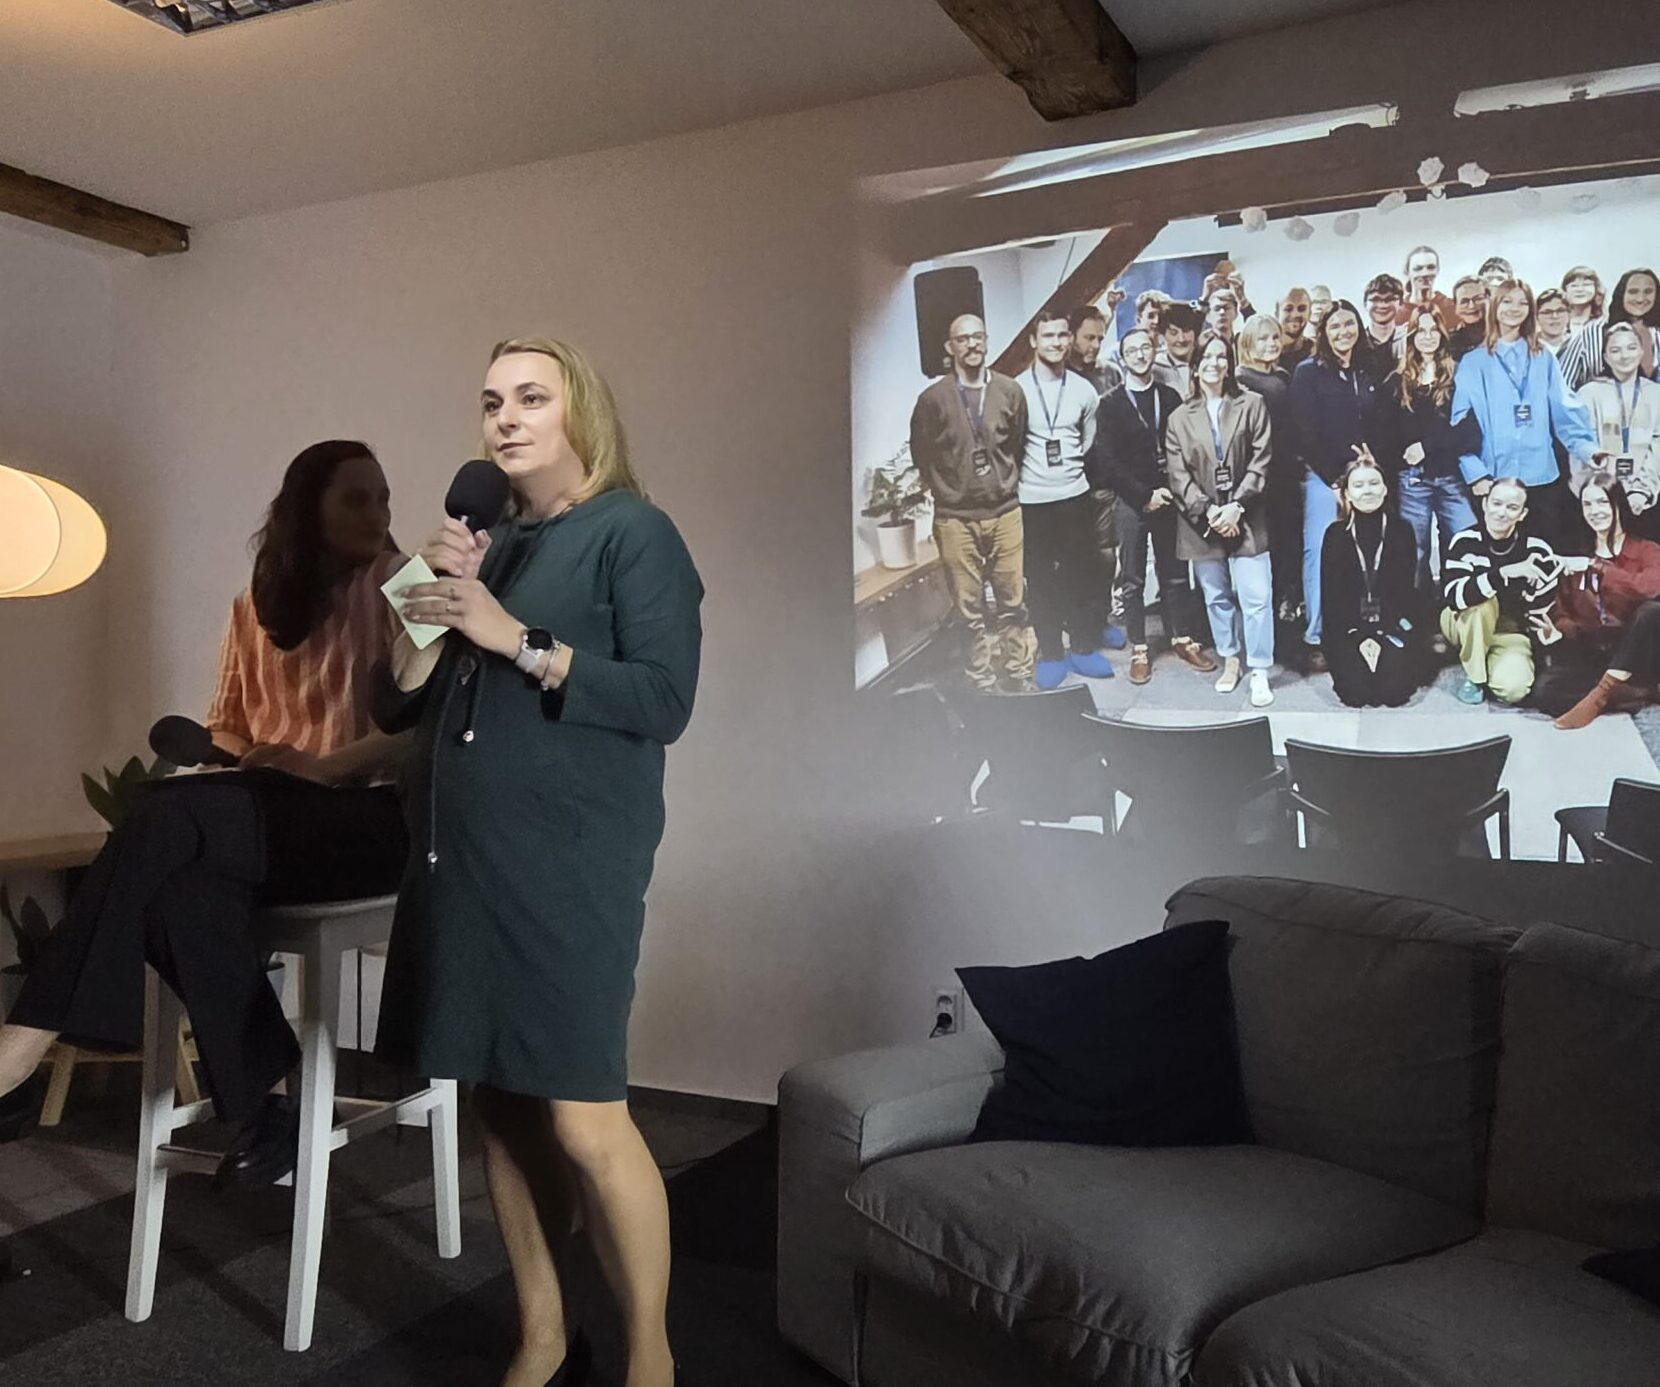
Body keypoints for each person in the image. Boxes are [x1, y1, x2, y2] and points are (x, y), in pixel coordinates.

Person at [377, 336, 702, 1387]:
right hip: (460, 858)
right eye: (490, 402)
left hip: (571, 860)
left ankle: (650, 1358)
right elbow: (391, 699)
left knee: (582, 1113)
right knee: (502, 1100)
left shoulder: (634, 530)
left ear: (580, 413)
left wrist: (513, 635)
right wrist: (436, 595)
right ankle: (545, 1335)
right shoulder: (472, 541)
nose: (505, 419)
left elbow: (664, 699)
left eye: (530, 398)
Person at [0, 442, 410, 1176]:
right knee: (180, 896)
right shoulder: (255, 604)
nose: (378, 513)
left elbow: (428, 729)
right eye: (357, 498)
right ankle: (272, 1102)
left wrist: (319, 767)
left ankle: (18, 1052)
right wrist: (246, 754)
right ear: (307, 509)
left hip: (372, 821)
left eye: (383, 498)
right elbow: (228, 723)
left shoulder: (411, 583)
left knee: (161, 812)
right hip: (275, 819)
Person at [908, 313, 1035, 691]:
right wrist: (949, 490)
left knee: (1013, 602)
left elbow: (1017, 444)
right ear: (950, 347)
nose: (972, 344)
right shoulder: (933, 399)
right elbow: (922, 454)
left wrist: (1000, 482)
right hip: (955, 518)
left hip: (1005, 513)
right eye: (963, 339)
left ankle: (1019, 673)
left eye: (978, 337)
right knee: (969, 610)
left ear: (986, 341)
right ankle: (981, 679)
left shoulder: (1010, 391)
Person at [1090, 327, 1216, 684]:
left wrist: (1168, 492)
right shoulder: (1110, 404)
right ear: (1123, 357)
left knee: (1175, 573)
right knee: (1132, 577)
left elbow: (1182, 449)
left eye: (1146, 347)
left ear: (1155, 349)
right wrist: (1144, 496)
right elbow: (1108, 462)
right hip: (1133, 500)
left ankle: (1182, 637)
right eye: (1133, 350)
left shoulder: (1169, 396)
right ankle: (1140, 647)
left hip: (1170, 497)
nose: (1141, 355)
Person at [1165, 330, 1276, 707]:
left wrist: (1236, 506)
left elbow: (1262, 460)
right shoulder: (1179, 417)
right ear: (1195, 367)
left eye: (1221, 356)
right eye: (1206, 357)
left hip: (1247, 513)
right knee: (1216, 596)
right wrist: (1210, 511)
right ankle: (1231, 659)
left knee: (1256, 596)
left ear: (1229, 363)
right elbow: (1178, 474)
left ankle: (1259, 668)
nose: (1214, 363)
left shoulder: (1252, 404)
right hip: (1202, 520)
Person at [1451, 278, 1601, 547]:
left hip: (1541, 477)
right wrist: (1475, 474)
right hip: (1493, 479)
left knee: (1543, 552)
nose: (1514, 308)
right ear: (1495, 307)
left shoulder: (1544, 357)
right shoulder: (1474, 363)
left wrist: (1588, 450)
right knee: (1499, 557)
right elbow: (1460, 425)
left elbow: (1565, 410)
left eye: (1522, 303)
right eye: (1507, 301)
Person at [1016, 306, 1114, 687]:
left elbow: (1086, 442)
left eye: (1062, 335)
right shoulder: (1017, 391)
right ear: (1033, 340)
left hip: (1074, 495)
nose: (1056, 343)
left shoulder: (1084, 391)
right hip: (1032, 500)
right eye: (1048, 336)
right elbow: (1011, 447)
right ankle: (1052, 653)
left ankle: (1083, 649)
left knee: (1082, 574)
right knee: (1040, 579)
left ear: (1070, 339)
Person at [1290, 298, 1379, 665]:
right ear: (1324, 332)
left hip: (1368, 475)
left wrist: (1372, 462)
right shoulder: (1308, 372)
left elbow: (1381, 422)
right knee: (1319, 550)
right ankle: (1316, 635)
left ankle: (1360, 627)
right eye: (1335, 326)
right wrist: (1337, 479)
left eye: (1349, 323)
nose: (1344, 331)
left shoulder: (1369, 368)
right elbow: (1304, 433)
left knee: (1368, 550)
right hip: (1325, 477)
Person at [1372, 305, 1482, 592]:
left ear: (1443, 334)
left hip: (1453, 476)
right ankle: (1416, 612)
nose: (1428, 336)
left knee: (1465, 543)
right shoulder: (1397, 381)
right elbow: (1387, 436)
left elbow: (1470, 432)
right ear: (1411, 336)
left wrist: (1428, 446)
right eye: (1421, 331)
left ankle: (1457, 604)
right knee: (1415, 552)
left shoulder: (1459, 375)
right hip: (1413, 481)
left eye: (1434, 330)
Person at [1542, 477, 1660, 727]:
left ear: (1618, 504)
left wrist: (1597, 566)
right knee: (1545, 691)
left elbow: (1648, 588)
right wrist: (1559, 630)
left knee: (1651, 611)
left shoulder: (1647, 549)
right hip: (1597, 652)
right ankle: (1637, 693)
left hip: (1639, 652)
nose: (1595, 511)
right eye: (1587, 504)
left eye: (1602, 502)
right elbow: (1562, 611)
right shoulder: (1577, 553)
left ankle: (1602, 695)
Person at [1440, 477, 1561, 705]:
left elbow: (1539, 611)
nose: (1501, 513)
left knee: (1513, 690)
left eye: (1512, 507)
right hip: (1461, 622)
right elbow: (1455, 598)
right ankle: (1476, 677)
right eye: (1496, 503)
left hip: (1508, 630)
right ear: (1485, 504)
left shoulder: (1537, 550)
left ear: (1522, 514)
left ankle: (1486, 658)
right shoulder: (1464, 541)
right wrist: (1504, 573)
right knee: (1481, 603)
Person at [1320, 455, 1424, 707]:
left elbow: (1405, 592)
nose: (1367, 491)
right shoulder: (1335, 535)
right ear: (1347, 494)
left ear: (1385, 489)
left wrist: (1380, 634)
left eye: (1374, 483)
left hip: (1391, 625)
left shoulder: (1402, 530)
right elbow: (1332, 599)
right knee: (1356, 695)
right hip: (1349, 629)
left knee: (1393, 694)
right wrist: (1361, 637)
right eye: (1359, 485)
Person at [1237, 312, 1303, 626]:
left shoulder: (1283, 376)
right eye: (1262, 338)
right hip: (1259, 477)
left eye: (1275, 337)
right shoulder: (1241, 379)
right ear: (1248, 342)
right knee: (1266, 549)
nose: (1271, 343)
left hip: (1287, 475)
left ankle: (1288, 611)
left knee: (1289, 545)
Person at [1069, 304, 1128, 649]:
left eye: (1099, 339)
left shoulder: (1110, 373)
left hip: (1104, 484)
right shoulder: (1059, 377)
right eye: (1088, 338)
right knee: (1074, 559)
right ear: (1072, 336)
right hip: (1067, 486)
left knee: (1106, 557)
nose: (1094, 345)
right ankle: (1078, 627)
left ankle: (1100, 619)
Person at [1575, 321, 1660, 530]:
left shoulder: (1655, 394)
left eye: (1631, 348)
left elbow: (1657, 447)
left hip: (1644, 497)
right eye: (1615, 350)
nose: (1624, 356)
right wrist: (1600, 495)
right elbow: (1581, 447)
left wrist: (1641, 490)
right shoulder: (1588, 394)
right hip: (1598, 499)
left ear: (1641, 351)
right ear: (1605, 357)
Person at [1559, 266, 1660, 392]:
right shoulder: (1593, 331)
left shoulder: (1657, 332)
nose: (1640, 299)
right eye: (1633, 292)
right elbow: (1562, 383)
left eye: (1648, 291)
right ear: (1621, 294)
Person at [1354, 273, 1407, 381]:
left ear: (1401, 303)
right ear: (1365, 303)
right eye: (1375, 299)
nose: (1382, 305)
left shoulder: (1409, 339)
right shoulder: (1355, 341)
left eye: (1389, 299)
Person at [1397, 245, 1459, 334]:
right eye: (1418, 269)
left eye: (1431, 267)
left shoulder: (1452, 307)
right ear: (1407, 271)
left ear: (1437, 270)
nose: (1425, 273)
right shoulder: (1397, 312)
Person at [1068, 304, 1125, 397]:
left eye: (1100, 339)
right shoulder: (1056, 376)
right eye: (1090, 338)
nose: (1096, 345)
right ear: (1071, 337)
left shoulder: (1112, 373)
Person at [1154, 300, 1202, 395]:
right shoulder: (1155, 368)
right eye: (1173, 333)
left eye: (1186, 331)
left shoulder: (1208, 361)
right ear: (1163, 336)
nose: (1181, 339)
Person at [1448, 276, 1489, 361]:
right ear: (1455, 305)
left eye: (1478, 299)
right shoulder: (1448, 341)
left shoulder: (1505, 336)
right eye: (1464, 301)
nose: (1471, 306)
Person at [1277, 288, 1314, 370]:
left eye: (1302, 309)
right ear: (1277, 313)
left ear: (1310, 314)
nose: (1295, 314)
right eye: (1288, 309)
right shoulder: (1266, 352)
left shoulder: (1317, 353)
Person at [1560, 264, 1605, 332]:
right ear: (1565, 291)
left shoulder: (1605, 323)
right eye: (1574, 286)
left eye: (1586, 285)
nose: (1580, 289)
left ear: (1596, 290)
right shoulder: (1557, 323)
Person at [1534, 287, 1574, 358]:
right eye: (1547, 312)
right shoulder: (1526, 346)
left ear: (1569, 314)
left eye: (1560, 311)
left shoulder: (1577, 344)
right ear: (1536, 317)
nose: (1554, 316)